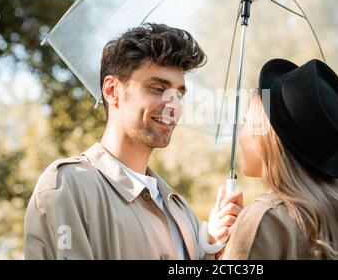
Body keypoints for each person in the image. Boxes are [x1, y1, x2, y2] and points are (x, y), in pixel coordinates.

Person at [24, 23, 243, 260]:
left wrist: (214, 248)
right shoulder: (67, 187)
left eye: (179, 95)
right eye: (158, 88)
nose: (174, 106)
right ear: (112, 90)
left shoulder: (183, 213)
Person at [222, 58, 338, 260]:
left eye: (246, 121)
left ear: (267, 139)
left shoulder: (265, 218)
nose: (240, 135)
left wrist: (222, 246)